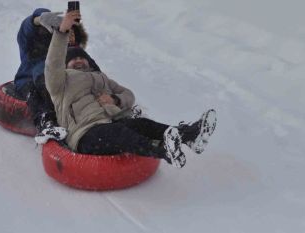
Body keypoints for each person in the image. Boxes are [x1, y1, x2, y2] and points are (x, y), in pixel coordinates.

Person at [41, 11, 217, 168]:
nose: (79, 60)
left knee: (141, 124)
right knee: (118, 132)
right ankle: (163, 151)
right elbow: (52, 64)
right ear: (66, 65)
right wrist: (62, 32)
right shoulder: (60, 82)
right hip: (84, 134)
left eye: (82, 58)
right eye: (74, 59)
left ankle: (190, 135)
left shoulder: (101, 78)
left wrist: (115, 99)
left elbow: (129, 95)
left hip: (110, 123)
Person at [13, 8, 90, 143]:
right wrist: (38, 19)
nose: (69, 37)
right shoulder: (33, 44)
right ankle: (46, 122)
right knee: (38, 91)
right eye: (67, 33)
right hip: (29, 80)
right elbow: (26, 29)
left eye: (72, 35)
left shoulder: (71, 53)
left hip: (61, 84)